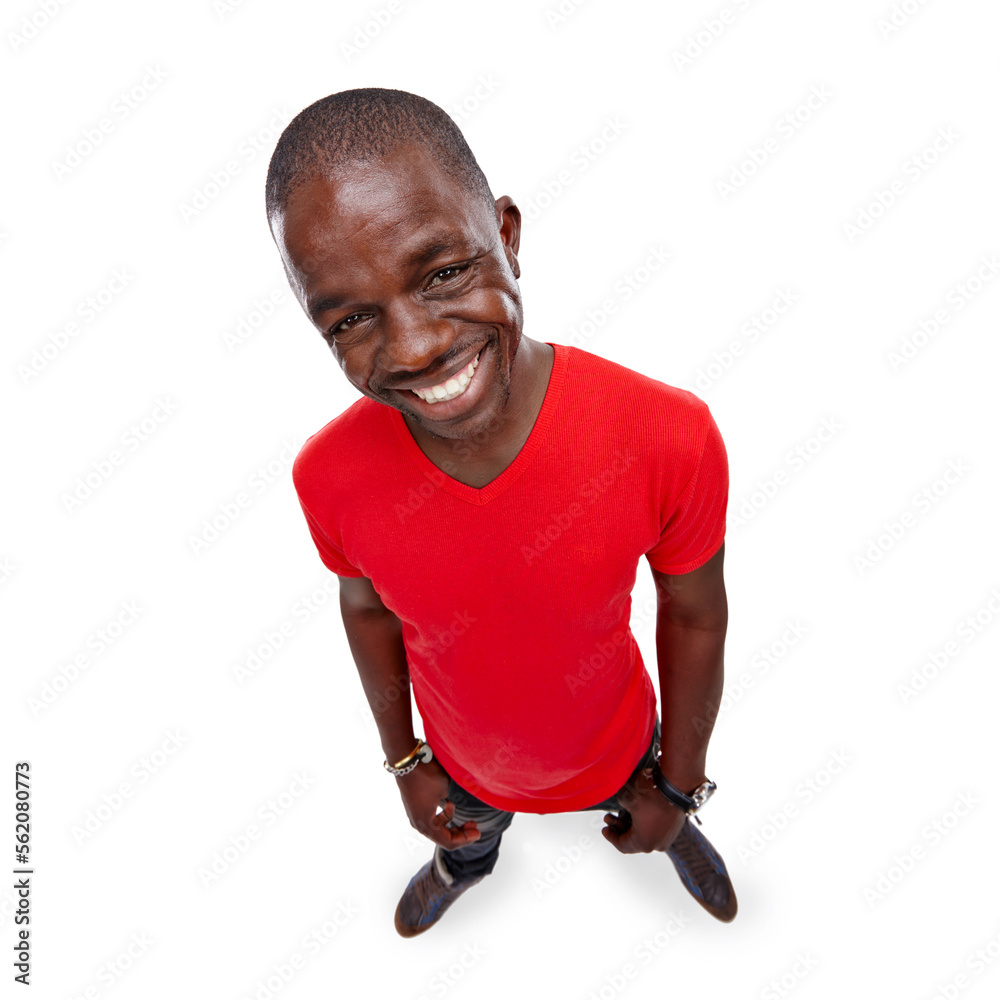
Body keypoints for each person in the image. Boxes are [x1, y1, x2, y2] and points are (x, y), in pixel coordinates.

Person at [265, 88, 737, 937]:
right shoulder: (326, 475)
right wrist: (407, 762)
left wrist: (677, 784)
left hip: (624, 750)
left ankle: (675, 831)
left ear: (508, 238)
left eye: (444, 273)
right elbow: (365, 605)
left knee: (656, 817)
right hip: (463, 767)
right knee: (469, 834)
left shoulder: (667, 434)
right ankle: (463, 862)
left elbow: (696, 616)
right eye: (351, 319)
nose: (413, 348)